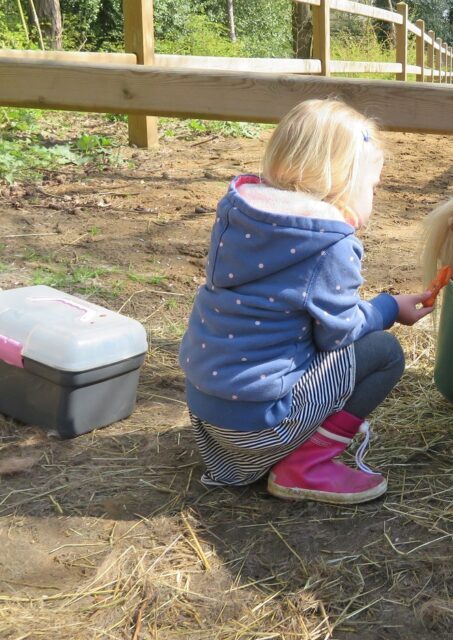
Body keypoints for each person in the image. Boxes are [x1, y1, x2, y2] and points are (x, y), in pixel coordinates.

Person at [179, 99, 433, 505]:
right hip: (259, 428)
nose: (373, 197)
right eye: (372, 187)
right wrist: (388, 308)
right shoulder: (331, 243)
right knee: (383, 352)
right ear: (345, 184)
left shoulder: (239, 215)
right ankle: (307, 464)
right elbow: (339, 334)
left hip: (208, 421)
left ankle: (289, 445)